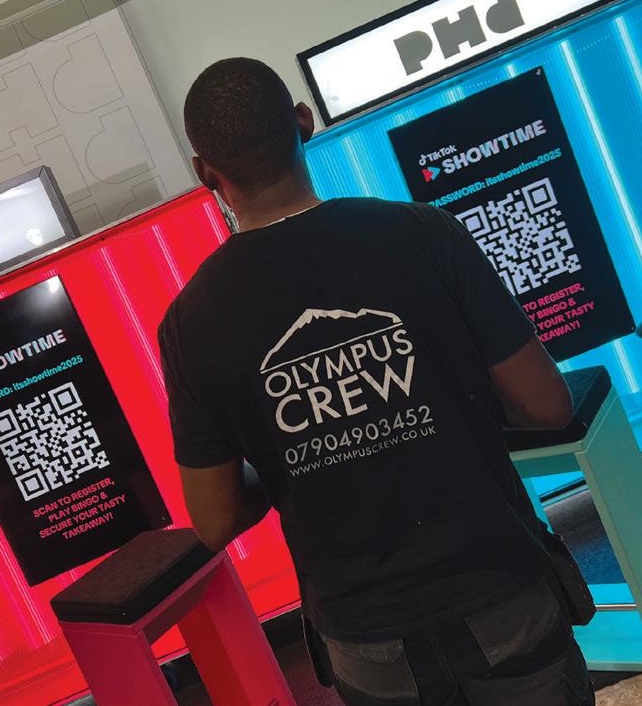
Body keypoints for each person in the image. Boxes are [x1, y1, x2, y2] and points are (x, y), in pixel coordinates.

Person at [158, 57, 594, 706]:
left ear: (203, 172)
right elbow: (546, 405)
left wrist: (288, 462)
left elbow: (214, 518)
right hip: (500, 589)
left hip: (364, 637)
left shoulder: (189, 321)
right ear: (303, 122)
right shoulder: (423, 234)